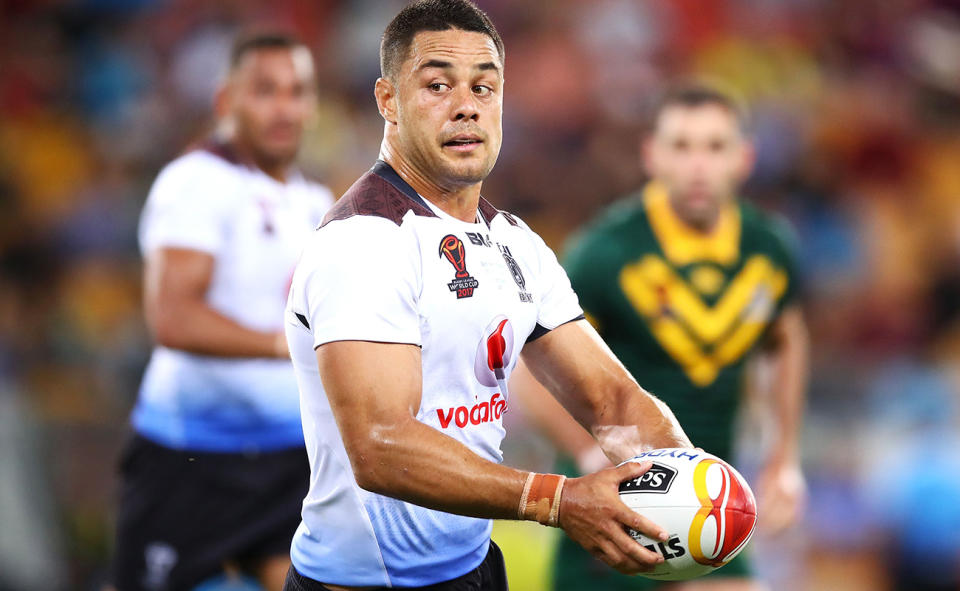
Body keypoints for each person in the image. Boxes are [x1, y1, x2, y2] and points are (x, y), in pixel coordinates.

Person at [282, 1, 694, 590]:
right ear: (387, 100)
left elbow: (614, 402)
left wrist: (691, 476)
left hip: (474, 573)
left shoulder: (514, 245)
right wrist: (557, 500)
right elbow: (381, 447)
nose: (467, 105)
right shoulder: (364, 243)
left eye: (484, 86)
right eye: (438, 85)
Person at [511, 85, 809, 591]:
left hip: (714, 501)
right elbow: (529, 372)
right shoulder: (605, 251)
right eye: (681, 146)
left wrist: (784, 456)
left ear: (744, 158)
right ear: (652, 155)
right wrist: (587, 457)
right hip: (618, 505)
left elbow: (786, 336)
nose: (698, 165)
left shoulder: (769, 249)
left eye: (715, 147)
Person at [109, 32, 334, 591]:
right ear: (225, 102)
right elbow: (172, 319)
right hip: (193, 459)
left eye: (296, 91)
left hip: (289, 457)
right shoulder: (197, 183)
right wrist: (286, 344)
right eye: (265, 90)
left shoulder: (314, 201)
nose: (284, 107)